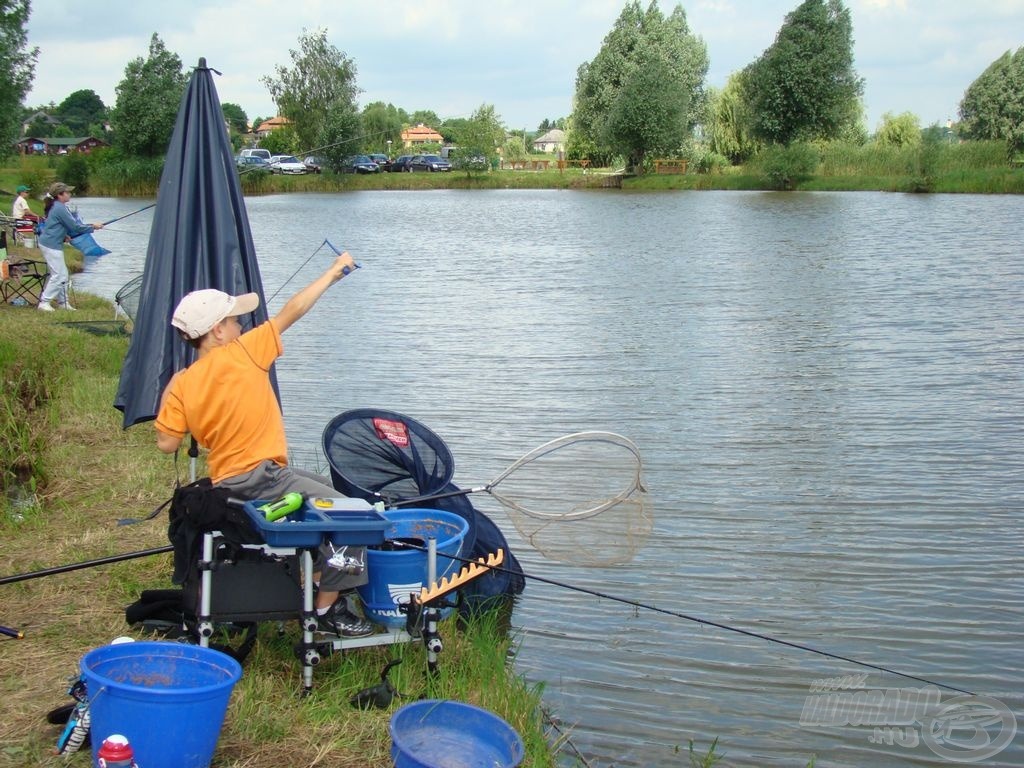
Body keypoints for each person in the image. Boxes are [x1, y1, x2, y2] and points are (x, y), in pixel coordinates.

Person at [155, 253, 374, 637]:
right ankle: (327, 611)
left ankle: (317, 579)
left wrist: (173, 390)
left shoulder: (183, 382)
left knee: (329, 495)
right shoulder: (245, 351)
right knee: (353, 516)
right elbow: (294, 310)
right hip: (262, 479)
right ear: (217, 332)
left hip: (228, 482)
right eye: (235, 320)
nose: (241, 324)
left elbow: (167, 443)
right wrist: (331, 274)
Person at [37, 182, 103, 312]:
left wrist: (64, 235)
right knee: (59, 276)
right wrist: (93, 226)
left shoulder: (58, 206)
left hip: (52, 242)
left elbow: (56, 225)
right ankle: (44, 302)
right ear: (60, 195)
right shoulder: (59, 208)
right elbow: (75, 226)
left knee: (61, 274)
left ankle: (64, 303)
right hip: (51, 245)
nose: (70, 194)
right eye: (67, 192)